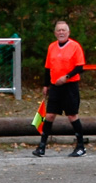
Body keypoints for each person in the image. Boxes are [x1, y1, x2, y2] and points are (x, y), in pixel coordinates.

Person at [34, 19, 86, 158]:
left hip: (70, 86)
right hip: (55, 86)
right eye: (59, 30)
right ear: (55, 33)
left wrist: (67, 77)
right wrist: (46, 85)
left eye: (64, 30)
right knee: (50, 115)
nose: (61, 32)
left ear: (68, 32)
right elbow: (48, 68)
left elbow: (80, 67)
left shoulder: (75, 46)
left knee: (72, 115)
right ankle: (42, 146)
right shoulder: (52, 47)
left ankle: (81, 146)